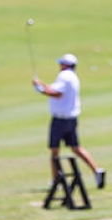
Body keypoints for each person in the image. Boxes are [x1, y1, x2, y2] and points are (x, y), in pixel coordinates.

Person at [33, 53, 105, 189]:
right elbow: (54, 88)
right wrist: (41, 84)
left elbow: (56, 93)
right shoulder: (72, 77)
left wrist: (40, 90)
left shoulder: (64, 76)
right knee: (76, 148)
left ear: (65, 65)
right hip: (71, 119)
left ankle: (56, 181)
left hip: (60, 120)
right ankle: (96, 170)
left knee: (54, 151)